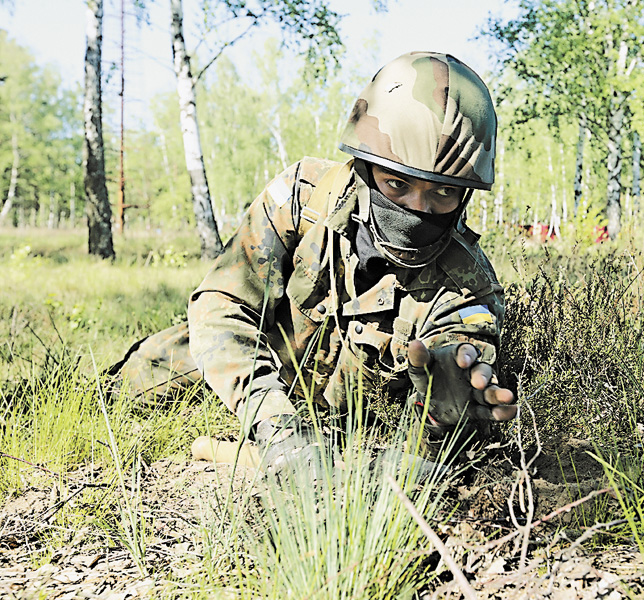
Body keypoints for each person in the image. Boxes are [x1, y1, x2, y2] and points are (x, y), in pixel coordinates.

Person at [112, 51, 515, 471]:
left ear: (465, 194)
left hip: (337, 430)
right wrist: (277, 426)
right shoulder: (302, 198)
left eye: (442, 193)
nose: (417, 208)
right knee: (126, 389)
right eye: (397, 183)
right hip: (244, 364)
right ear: (365, 167)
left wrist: (443, 420)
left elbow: (454, 371)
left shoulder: (466, 285)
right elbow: (221, 306)